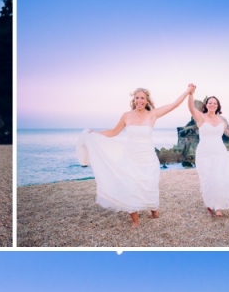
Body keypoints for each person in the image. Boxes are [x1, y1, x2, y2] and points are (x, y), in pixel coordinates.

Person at [77, 86, 193, 225]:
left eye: (142, 98)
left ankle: (154, 210)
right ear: (134, 100)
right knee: (130, 185)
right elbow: (114, 131)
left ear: (147, 100)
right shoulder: (126, 115)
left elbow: (174, 104)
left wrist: (187, 92)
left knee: (150, 185)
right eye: (137, 98)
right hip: (131, 156)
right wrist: (95, 134)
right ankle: (135, 221)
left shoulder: (152, 114)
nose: (139, 100)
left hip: (148, 157)